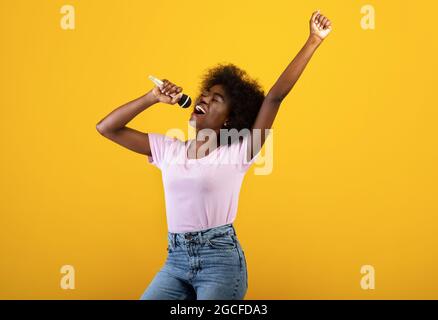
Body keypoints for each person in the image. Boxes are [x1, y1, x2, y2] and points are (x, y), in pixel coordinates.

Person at [96, 10, 332, 300]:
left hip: (220, 263)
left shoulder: (238, 152)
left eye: (215, 99)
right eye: (204, 94)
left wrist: (313, 40)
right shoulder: (169, 150)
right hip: (176, 261)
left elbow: (274, 97)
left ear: (229, 120)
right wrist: (152, 98)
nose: (203, 98)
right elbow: (107, 128)